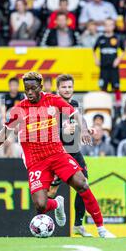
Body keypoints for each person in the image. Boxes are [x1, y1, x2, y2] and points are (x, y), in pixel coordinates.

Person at [0, 71, 115, 238]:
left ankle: (101, 228)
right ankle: (57, 204)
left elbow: (76, 115)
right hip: (35, 160)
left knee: (82, 184)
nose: (29, 92)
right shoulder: (19, 109)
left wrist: (84, 129)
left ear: (40, 87)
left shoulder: (52, 100)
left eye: (33, 89)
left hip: (56, 153)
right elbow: (5, 132)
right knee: (41, 205)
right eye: (26, 89)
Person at [47, 74, 97, 237]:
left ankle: (78, 225)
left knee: (84, 186)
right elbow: (46, 131)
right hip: (57, 153)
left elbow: (78, 120)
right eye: (64, 87)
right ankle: (55, 209)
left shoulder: (74, 104)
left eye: (70, 87)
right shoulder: (52, 106)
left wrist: (86, 129)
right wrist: (62, 131)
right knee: (49, 193)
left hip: (74, 151)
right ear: (58, 89)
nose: (67, 90)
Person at [93, 18, 126, 108]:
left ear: (113, 26)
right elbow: (94, 50)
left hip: (113, 68)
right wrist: (96, 59)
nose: (108, 27)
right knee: (103, 87)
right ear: (104, 26)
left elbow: (124, 51)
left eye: (110, 25)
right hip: (103, 67)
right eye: (106, 25)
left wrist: (118, 59)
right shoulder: (100, 38)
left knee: (116, 86)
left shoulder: (117, 38)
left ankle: (118, 105)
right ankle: (103, 104)